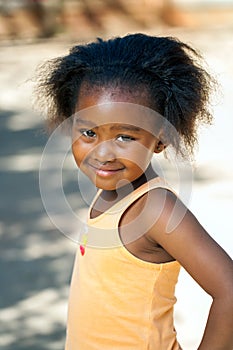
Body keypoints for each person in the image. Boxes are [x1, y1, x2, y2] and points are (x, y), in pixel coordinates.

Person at [36, 33, 233, 349]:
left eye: (125, 137)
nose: (103, 154)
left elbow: (228, 290)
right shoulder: (109, 192)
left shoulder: (155, 209)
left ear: (161, 138)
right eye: (88, 132)